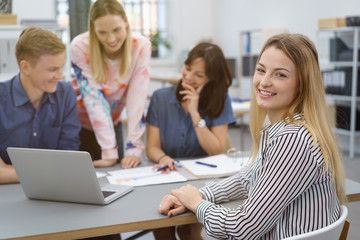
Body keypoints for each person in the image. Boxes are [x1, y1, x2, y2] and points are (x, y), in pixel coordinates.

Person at [157, 33, 347, 239]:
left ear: (302, 84)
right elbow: (247, 178)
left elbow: (244, 227)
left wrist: (197, 203)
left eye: (280, 75)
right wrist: (201, 194)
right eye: (261, 70)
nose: (264, 82)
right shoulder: (284, 129)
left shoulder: (294, 140)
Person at [146, 42, 235, 239]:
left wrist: (195, 113)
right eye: (187, 68)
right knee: (162, 227)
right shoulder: (160, 98)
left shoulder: (221, 100)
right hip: (166, 176)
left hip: (200, 181)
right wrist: (162, 158)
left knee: (189, 230)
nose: (188, 77)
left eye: (198, 75)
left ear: (211, 79)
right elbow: (151, 148)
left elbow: (215, 150)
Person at [71, 0, 151, 169]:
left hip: (112, 124)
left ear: (126, 22)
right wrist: (108, 150)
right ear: (93, 28)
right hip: (79, 126)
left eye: (116, 30)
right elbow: (95, 101)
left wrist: (134, 148)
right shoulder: (80, 46)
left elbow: (137, 100)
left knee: (118, 176)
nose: (111, 39)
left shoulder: (140, 46)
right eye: (102, 32)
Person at [0, 27, 81, 184]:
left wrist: (10, 172)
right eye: (52, 69)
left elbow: (69, 160)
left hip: (53, 189)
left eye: (61, 67)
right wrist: (48, 172)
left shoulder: (66, 94)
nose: (60, 75)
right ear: (26, 67)